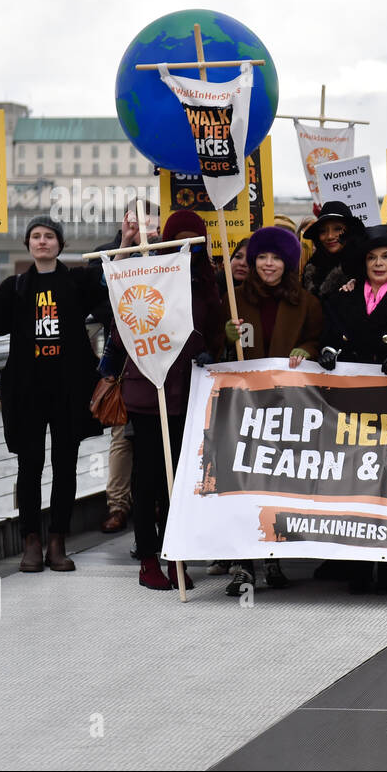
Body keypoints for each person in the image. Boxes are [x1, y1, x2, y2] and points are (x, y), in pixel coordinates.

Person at [0, 216, 105, 573]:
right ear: (28, 245)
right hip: (27, 391)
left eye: (49, 236)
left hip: (68, 390)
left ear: (59, 244)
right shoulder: (17, 286)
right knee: (29, 466)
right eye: (35, 236)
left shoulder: (75, 281)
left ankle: (58, 540)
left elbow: (109, 277)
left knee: (65, 466)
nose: (42, 241)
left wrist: (126, 240)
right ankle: (31, 542)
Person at [104, 211, 225, 591]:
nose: (187, 247)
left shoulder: (208, 281)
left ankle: (176, 554)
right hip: (149, 390)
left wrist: (211, 349)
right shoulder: (147, 273)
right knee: (149, 478)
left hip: (189, 392)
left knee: (181, 481)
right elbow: (123, 326)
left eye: (194, 240)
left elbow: (215, 331)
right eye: (180, 239)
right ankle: (148, 558)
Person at [318, 225, 387, 593]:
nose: (378, 263)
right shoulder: (342, 299)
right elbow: (330, 339)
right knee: (356, 482)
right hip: (353, 408)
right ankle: (359, 566)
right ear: (362, 264)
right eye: (371, 257)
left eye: (385, 256)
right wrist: (330, 353)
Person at [225, 226, 324, 595]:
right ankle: (242, 565)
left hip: (286, 407)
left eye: (276, 258)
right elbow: (217, 351)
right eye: (262, 257)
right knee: (244, 483)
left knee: (278, 482)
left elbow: (317, 338)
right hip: (242, 408)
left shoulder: (307, 303)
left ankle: (271, 555)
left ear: (288, 263)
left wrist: (308, 351)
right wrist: (226, 337)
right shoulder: (233, 301)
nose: (269, 265)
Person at [91, 199, 160, 535]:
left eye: (151, 221)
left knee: (161, 436)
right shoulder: (106, 252)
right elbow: (103, 303)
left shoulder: (167, 252)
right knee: (122, 436)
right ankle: (118, 505)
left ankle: (158, 503)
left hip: (161, 354)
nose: (144, 226)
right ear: (125, 220)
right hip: (123, 357)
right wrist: (125, 248)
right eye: (138, 219)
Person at [302, 202, 364, 301]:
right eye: (323, 231)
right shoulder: (311, 267)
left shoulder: (364, 267)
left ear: (350, 231)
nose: (330, 236)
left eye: (337, 229)